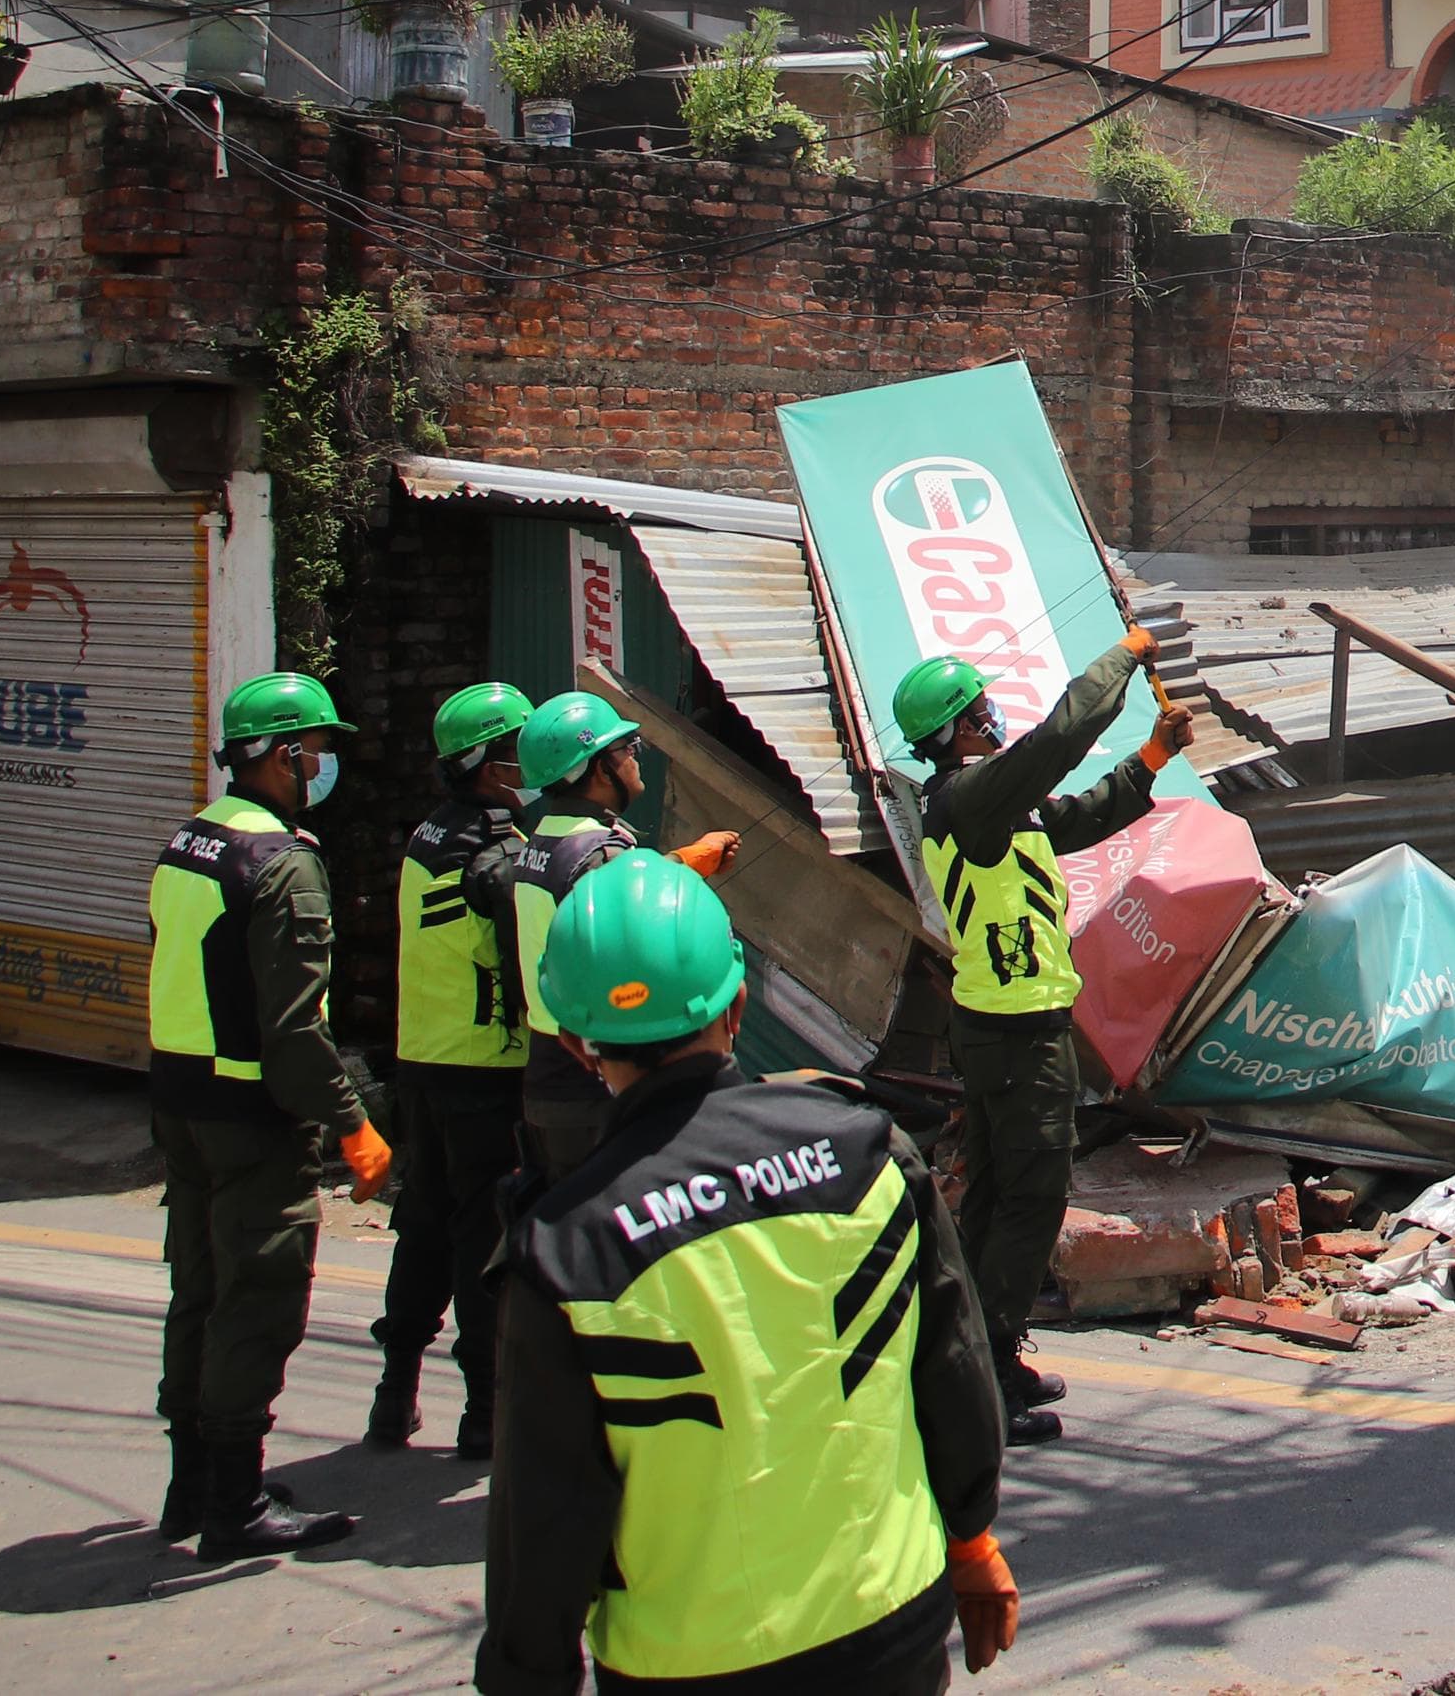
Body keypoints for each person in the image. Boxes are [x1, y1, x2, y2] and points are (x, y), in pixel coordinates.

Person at [480, 852, 1019, 1696]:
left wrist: (525, 1676)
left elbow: (544, 1514)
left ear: (580, 1048)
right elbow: (953, 1368)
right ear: (736, 1006)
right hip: (890, 1625)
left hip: (687, 1665)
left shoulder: (566, 1250)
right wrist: (972, 1539)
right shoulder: (871, 1158)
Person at [897, 623, 1194, 1444]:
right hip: (1020, 1032)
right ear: (962, 725)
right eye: (982, 708)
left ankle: (970, 1352)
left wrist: (1154, 758)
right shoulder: (972, 795)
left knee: (995, 1194)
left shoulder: (983, 805)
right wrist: (1124, 658)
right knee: (1031, 1199)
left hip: (997, 1026)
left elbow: (1077, 816)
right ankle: (984, 1372)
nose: (994, 716)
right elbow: (1062, 736)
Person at [147, 669, 395, 1562]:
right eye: (319, 750)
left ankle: (192, 1485)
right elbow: (293, 1030)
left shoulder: (192, 841)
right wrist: (353, 1125)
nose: (326, 765)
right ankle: (235, 1506)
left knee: (201, 1289)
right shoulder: (283, 864)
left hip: (178, 1100)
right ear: (285, 755)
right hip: (249, 1114)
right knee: (257, 1298)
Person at [372, 681, 536, 1459]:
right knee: (483, 1242)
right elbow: (523, 953)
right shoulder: (498, 851)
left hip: (422, 1063)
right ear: (492, 764)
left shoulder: (429, 835)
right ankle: (484, 1413)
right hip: (483, 1070)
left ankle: (394, 1391)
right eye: (519, 751)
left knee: (422, 1228)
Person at [496, 693, 735, 1180]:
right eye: (627, 749)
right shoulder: (598, 852)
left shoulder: (540, 842)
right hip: (597, 1078)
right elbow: (629, 930)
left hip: (549, 1071)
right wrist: (687, 869)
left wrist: (682, 863)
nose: (634, 759)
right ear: (599, 768)